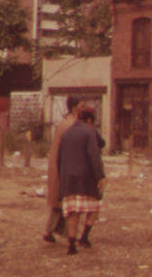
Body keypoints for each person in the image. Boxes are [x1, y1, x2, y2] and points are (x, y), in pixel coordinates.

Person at [57, 100, 106, 255]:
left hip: (68, 180)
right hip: (86, 179)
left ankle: (71, 244)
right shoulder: (89, 132)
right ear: (90, 121)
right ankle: (84, 236)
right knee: (95, 207)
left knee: (73, 212)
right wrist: (101, 177)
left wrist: (62, 179)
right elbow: (94, 155)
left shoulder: (66, 133)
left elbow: (59, 159)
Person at [43, 95, 80, 243]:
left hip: (60, 165)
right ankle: (58, 232)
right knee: (65, 202)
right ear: (74, 107)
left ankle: (53, 231)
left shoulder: (65, 123)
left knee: (61, 202)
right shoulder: (70, 125)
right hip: (64, 167)